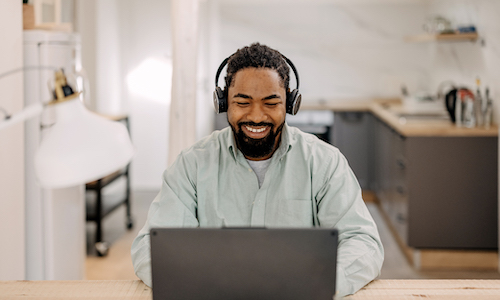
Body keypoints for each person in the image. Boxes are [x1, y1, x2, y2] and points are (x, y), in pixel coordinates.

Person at [131, 43, 384, 297]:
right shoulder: (191, 165)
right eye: (242, 102)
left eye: (271, 103)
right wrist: (210, 284)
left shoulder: (325, 162)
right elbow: (149, 249)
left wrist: (312, 285)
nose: (256, 116)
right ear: (223, 103)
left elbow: (363, 243)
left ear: (290, 104)